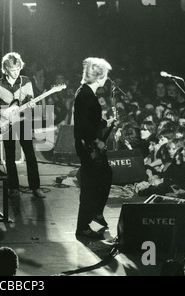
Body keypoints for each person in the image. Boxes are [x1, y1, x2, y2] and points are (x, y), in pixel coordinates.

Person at [0, 52, 45, 198]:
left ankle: (36, 187)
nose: (16, 73)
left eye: (18, 69)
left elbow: (30, 100)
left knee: (30, 154)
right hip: (6, 122)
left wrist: (32, 103)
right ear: (5, 69)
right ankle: (13, 188)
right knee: (9, 156)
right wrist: (0, 112)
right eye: (12, 70)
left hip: (23, 121)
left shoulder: (26, 81)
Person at [73, 57, 115, 239]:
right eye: (105, 76)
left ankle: (96, 214)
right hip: (89, 146)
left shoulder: (85, 93)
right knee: (90, 186)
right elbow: (84, 126)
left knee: (105, 176)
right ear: (100, 76)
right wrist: (97, 141)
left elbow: (91, 121)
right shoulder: (86, 96)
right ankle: (83, 226)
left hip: (89, 144)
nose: (106, 79)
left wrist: (106, 122)